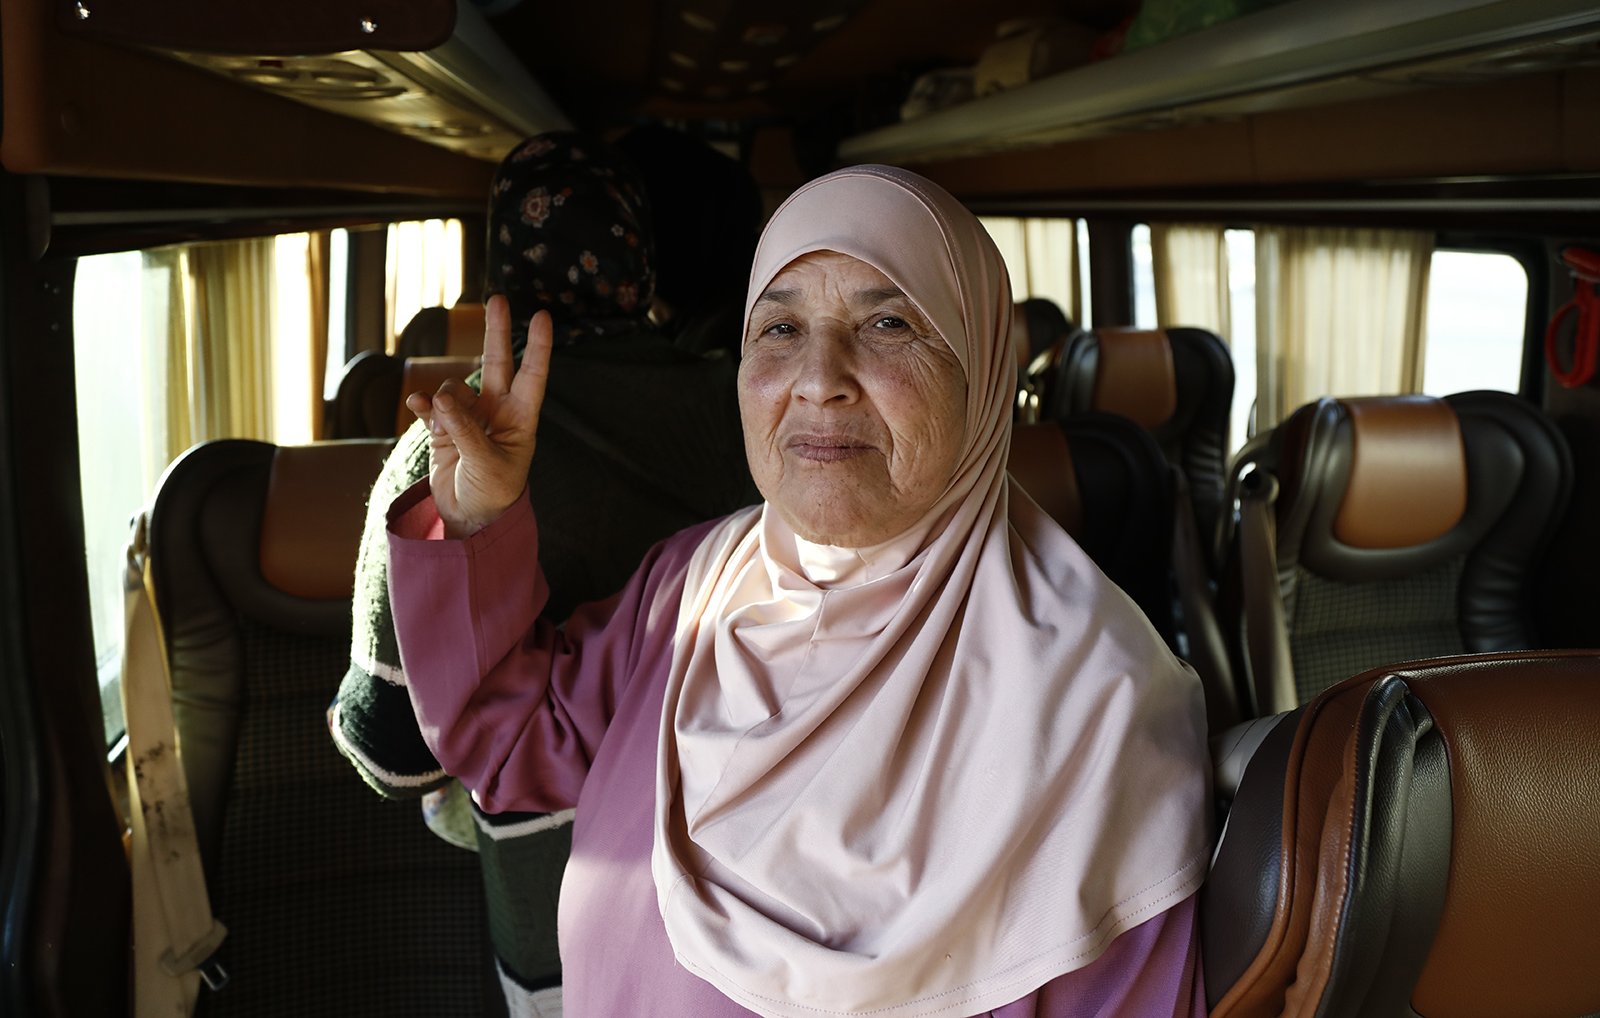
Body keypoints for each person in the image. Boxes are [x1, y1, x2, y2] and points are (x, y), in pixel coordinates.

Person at [388, 165, 1210, 1016]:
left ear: (984, 369)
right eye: (779, 328)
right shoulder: (693, 583)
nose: (820, 378)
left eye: (888, 323)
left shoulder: (1103, 707)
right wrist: (476, 522)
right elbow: (516, 740)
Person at [330, 131, 759, 1015]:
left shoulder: (442, 457)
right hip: (762, 889)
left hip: (566, 918)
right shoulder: (754, 408)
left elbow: (399, 754)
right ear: (641, 265)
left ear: (496, 270)